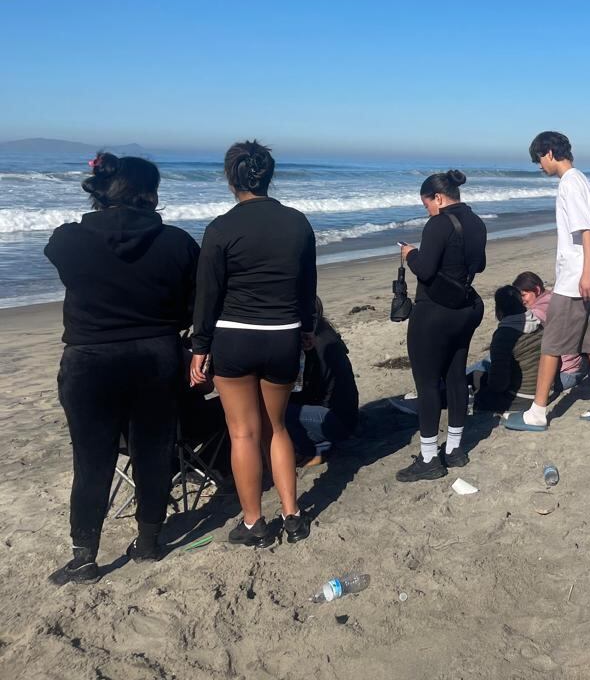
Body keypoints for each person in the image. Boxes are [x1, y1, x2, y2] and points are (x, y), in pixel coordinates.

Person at [43, 153, 200, 584]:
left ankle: (84, 558)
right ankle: (148, 542)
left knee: (91, 458)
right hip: (156, 355)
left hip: (89, 361)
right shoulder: (179, 242)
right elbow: (193, 304)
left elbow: (64, 263)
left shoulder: (67, 240)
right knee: (154, 450)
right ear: (149, 193)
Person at [189, 141, 317, 547]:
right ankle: (293, 515)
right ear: (269, 175)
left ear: (231, 178)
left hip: (234, 337)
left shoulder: (220, 228)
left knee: (243, 433)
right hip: (283, 335)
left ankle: (253, 523)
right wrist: (307, 327)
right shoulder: (297, 223)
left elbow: (206, 295)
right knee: (277, 428)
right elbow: (306, 284)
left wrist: (199, 346)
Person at [505, 132, 590, 431]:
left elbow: (586, 230)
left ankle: (537, 412)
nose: (539, 167)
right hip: (585, 279)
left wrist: (585, 274)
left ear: (549, 152)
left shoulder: (569, 183)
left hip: (575, 281)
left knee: (551, 345)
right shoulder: (580, 179)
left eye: (538, 160)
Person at [395, 170, 487, 482]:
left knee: (428, 384)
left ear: (438, 197)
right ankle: (456, 450)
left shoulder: (438, 223)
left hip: (434, 313)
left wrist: (410, 254)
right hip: (465, 309)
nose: (428, 211)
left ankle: (429, 457)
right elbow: (480, 265)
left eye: (427, 205)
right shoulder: (477, 221)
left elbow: (425, 269)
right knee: (455, 377)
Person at [287, 297, 359, 465]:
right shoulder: (325, 334)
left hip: (331, 420)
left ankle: (312, 450)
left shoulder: (312, 347)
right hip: (347, 416)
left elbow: (304, 392)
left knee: (272, 411)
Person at [473, 285, 543, 413]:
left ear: (499, 309)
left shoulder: (504, 335)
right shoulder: (537, 324)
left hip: (522, 398)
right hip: (544, 392)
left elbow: (499, 384)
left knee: (477, 380)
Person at [512, 271, 583, 391]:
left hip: (564, 374)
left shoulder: (539, 312)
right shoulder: (553, 298)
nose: (521, 300)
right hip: (576, 365)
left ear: (537, 290)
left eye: (523, 295)